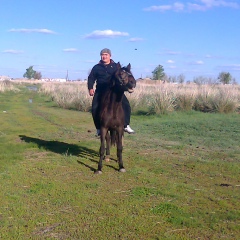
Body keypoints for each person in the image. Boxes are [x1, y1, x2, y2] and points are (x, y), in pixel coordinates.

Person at [87, 48, 135, 136]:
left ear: (110, 56)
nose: (104, 56)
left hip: (114, 90)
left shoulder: (115, 66)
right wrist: (90, 88)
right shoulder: (96, 67)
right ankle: (98, 128)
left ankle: (126, 125)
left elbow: (123, 75)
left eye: (106, 54)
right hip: (101, 90)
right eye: (102, 55)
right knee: (94, 108)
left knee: (126, 105)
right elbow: (91, 78)